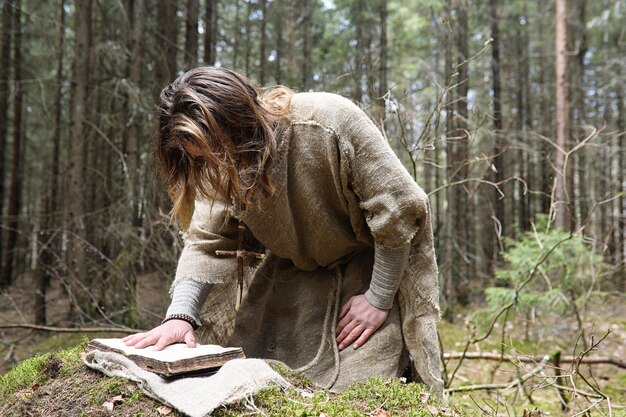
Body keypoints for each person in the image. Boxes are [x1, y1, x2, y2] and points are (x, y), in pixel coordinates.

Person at [123, 66, 443, 394]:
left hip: (371, 267)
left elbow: (401, 208)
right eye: (200, 159)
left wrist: (378, 298)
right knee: (254, 383)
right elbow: (208, 240)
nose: (213, 166)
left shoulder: (329, 121)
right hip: (292, 273)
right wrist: (181, 316)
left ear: (242, 121)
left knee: (362, 390)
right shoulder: (213, 162)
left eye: (215, 153)